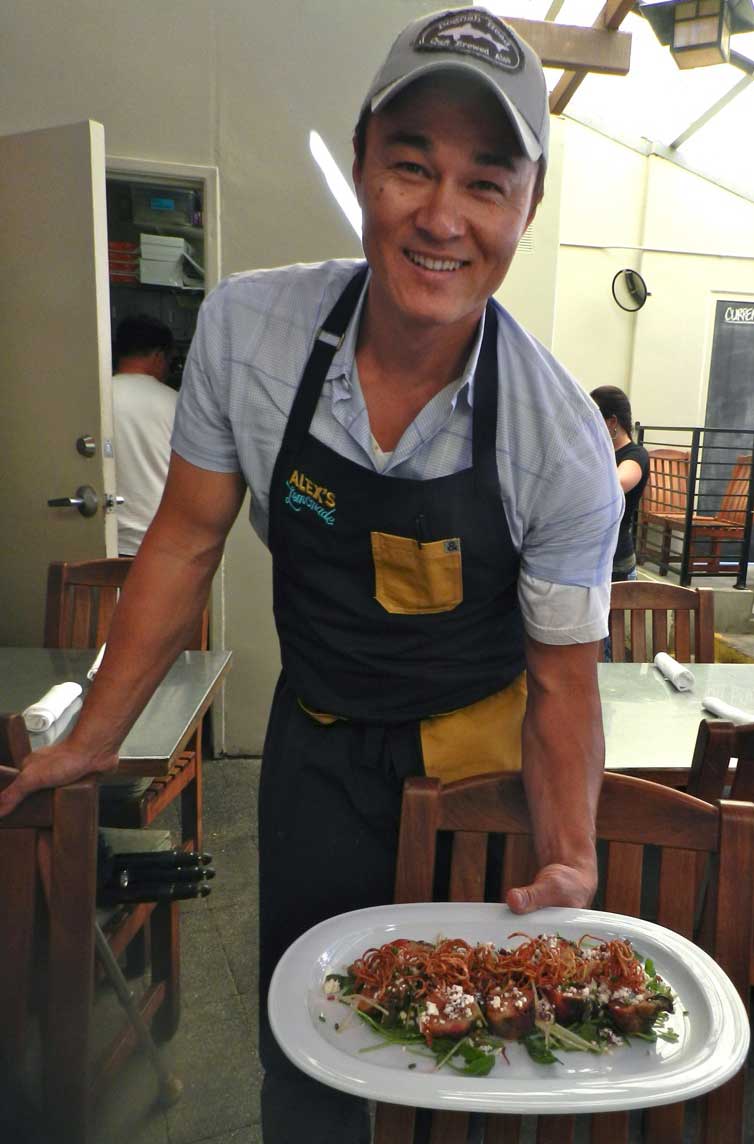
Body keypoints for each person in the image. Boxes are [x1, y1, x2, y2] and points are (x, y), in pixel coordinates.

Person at [0, 8, 622, 1142]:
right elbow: (185, 541)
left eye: (486, 182)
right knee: (311, 1043)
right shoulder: (251, 331)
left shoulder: (561, 440)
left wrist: (570, 851)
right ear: (359, 167)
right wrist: (96, 731)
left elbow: (564, 680)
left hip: (476, 753)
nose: (441, 216)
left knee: (464, 1055)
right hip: (319, 738)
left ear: (526, 207)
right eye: (409, 166)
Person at [111, 314, 177, 556]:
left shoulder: (96, 400)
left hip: (106, 538)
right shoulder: (178, 404)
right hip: (159, 541)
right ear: (159, 356)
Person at [590, 385, 650, 582]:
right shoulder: (598, 453)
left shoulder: (635, 455)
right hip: (590, 558)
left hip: (615, 562)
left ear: (612, 422)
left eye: (593, 419)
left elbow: (619, 483)